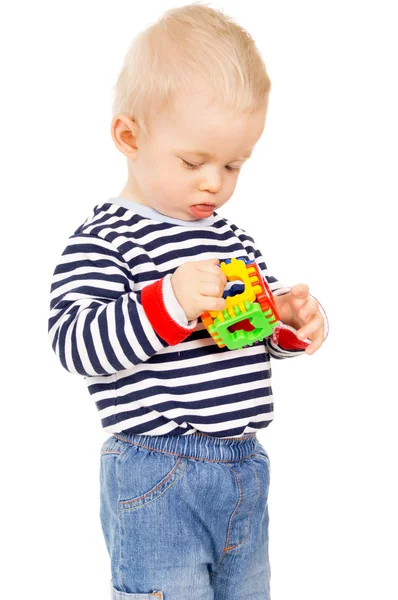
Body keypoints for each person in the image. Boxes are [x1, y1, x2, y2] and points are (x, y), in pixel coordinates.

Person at [48, 3, 328, 599]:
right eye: (193, 161)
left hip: (244, 465)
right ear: (130, 136)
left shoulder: (232, 237)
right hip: (158, 470)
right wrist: (169, 302)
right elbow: (75, 344)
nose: (215, 182)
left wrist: (286, 323)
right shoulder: (106, 238)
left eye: (233, 164)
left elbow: (250, 332)